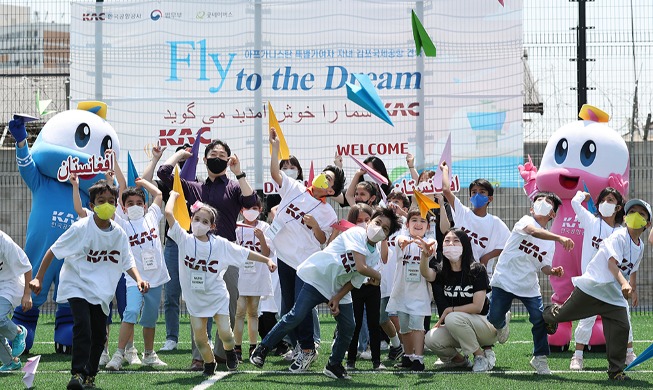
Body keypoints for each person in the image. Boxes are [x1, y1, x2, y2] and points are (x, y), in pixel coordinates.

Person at [250, 208, 401, 380]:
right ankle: (263, 348)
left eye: (385, 229)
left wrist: (337, 298)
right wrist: (378, 275)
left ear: (387, 236)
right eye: (377, 223)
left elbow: (354, 280)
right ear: (369, 222)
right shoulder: (357, 233)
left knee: (349, 326)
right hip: (318, 277)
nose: (379, 229)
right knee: (296, 315)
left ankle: (333, 364)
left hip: (338, 288)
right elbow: (360, 267)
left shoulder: (374, 255)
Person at [29, 179, 149, 390]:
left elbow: (127, 260)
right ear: (92, 206)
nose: (106, 204)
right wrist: (39, 277)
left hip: (102, 291)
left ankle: (89, 376)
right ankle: (76, 374)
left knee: (99, 335)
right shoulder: (81, 228)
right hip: (77, 284)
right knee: (82, 326)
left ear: (116, 205)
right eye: (101, 201)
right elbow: (53, 251)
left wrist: (139, 279)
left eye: (111, 201)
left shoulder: (119, 233)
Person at [157, 139, 257, 370]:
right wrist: (180, 155)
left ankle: (223, 353)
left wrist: (239, 172)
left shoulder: (233, 187)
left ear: (229, 159)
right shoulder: (194, 188)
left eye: (223, 155)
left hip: (226, 253)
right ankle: (199, 356)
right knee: (197, 304)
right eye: (213, 154)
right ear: (204, 159)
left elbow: (251, 202)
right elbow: (164, 173)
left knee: (231, 304)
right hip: (197, 257)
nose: (217, 158)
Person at [165, 192, 276, 376]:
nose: (199, 223)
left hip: (217, 297)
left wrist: (266, 260)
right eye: (197, 218)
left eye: (205, 221)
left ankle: (230, 351)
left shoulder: (220, 244)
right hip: (195, 300)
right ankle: (209, 363)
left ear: (212, 226)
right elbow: (169, 214)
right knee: (200, 340)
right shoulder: (183, 239)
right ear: (191, 218)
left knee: (225, 333)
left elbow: (244, 252)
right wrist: (173, 195)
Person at [543, 198, 651, 381]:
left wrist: (633, 287)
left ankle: (615, 371)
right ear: (624, 218)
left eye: (641, 214)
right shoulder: (618, 236)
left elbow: (632, 268)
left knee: (622, 327)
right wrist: (624, 283)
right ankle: (548, 314)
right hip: (593, 287)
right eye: (632, 212)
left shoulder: (640, 246)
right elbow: (612, 264)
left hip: (613, 296)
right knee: (563, 315)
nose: (636, 216)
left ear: (648, 224)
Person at [265, 128, 345, 372]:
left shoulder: (327, 212)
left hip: (304, 263)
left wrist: (314, 227)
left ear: (331, 191)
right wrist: (276, 147)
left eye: (328, 179)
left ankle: (308, 348)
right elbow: (274, 173)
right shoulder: (295, 187)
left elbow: (324, 240)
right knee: (287, 306)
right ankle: (300, 346)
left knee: (301, 307)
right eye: (324, 173)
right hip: (284, 259)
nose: (323, 177)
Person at [487, 192, 573, 375]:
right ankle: (502, 322)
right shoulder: (526, 221)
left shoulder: (550, 243)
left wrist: (553, 270)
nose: (542, 202)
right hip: (505, 279)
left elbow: (543, 265)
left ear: (553, 214)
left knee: (539, 319)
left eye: (548, 201)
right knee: (493, 317)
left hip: (528, 286)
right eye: (539, 200)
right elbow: (533, 232)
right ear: (532, 208)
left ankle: (540, 358)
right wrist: (559, 237)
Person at [106, 179, 170, 370]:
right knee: (131, 312)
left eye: (139, 203)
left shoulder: (151, 217)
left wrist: (143, 182)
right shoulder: (121, 224)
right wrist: (112, 183)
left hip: (156, 279)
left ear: (145, 205)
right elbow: (111, 206)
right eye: (130, 204)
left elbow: (159, 195)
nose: (135, 206)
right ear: (123, 208)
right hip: (134, 279)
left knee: (150, 318)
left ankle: (149, 354)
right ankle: (119, 354)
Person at [568, 188, 633, 370]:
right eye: (603, 199)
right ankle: (578, 356)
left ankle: (629, 354)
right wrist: (583, 195)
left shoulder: (622, 232)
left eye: (611, 200)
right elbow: (575, 203)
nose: (606, 203)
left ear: (618, 207)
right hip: (592, 283)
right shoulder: (591, 221)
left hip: (613, 285)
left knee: (624, 319)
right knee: (586, 319)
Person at [142, 142, 194, 354]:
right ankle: (172, 337)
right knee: (171, 294)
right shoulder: (170, 184)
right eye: (180, 157)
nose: (183, 161)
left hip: (195, 245)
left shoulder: (197, 184)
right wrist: (155, 159)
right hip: (173, 244)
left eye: (188, 157)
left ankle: (203, 336)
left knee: (198, 293)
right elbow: (145, 181)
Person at [422, 229, 497, 372]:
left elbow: (477, 306)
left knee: (452, 318)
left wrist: (451, 310)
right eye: (447, 241)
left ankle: (480, 356)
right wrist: (424, 256)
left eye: (456, 241)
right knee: (430, 339)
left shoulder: (477, 270)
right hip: (458, 327)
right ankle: (460, 361)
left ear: (464, 245)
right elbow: (427, 274)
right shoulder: (442, 270)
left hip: (484, 327)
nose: (451, 244)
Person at [386, 209, 436, 371]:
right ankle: (407, 357)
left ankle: (419, 359)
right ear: (407, 224)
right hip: (402, 292)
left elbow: (431, 248)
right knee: (404, 328)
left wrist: (425, 247)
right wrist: (404, 241)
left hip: (420, 294)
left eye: (423, 221)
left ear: (428, 226)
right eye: (414, 220)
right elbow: (399, 240)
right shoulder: (402, 239)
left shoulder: (431, 241)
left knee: (417, 326)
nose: (418, 224)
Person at [440, 162, 510, 271]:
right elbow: (446, 190)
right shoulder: (462, 213)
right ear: (470, 197)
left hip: (481, 273)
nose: (477, 195)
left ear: (490, 198)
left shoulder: (495, 223)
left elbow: (508, 244)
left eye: (482, 192)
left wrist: (487, 257)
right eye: (474, 192)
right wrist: (444, 170)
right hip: (458, 270)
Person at [343, 204, 386, 371]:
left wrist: (384, 239)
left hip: (373, 286)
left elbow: (383, 259)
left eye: (367, 220)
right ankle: (350, 360)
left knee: (374, 323)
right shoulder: (349, 237)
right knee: (355, 323)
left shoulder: (377, 238)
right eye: (358, 220)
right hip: (354, 286)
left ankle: (377, 361)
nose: (363, 223)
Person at [234, 196, 273, 362]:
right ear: (241, 210)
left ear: (260, 210)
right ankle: (236, 347)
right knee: (239, 312)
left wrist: (262, 238)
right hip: (241, 276)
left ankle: (252, 346)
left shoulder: (265, 227)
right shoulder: (236, 228)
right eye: (247, 208)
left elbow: (267, 254)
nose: (251, 212)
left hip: (257, 276)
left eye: (255, 209)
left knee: (253, 312)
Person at [380, 192, 410, 361]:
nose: (392, 205)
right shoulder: (383, 223)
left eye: (396, 203)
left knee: (396, 314)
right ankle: (398, 345)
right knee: (381, 317)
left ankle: (406, 348)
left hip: (401, 278)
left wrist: (403, 213)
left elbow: (417, 220)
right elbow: (384, 256)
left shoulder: (406, 223)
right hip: (383, 277)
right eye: (390, 201)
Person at [0, 230, 31, 372]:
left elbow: (26, 266)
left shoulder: (4, 241)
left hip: (8, 285)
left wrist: (27, 294)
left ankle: (18, 332)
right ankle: (11, 362)